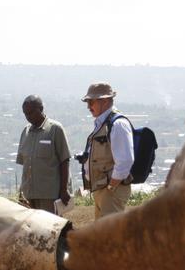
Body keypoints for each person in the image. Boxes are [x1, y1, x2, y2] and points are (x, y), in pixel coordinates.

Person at [81, 82, 134, 219]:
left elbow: (125, 161)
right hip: (103, 190)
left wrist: (111, 188)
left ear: (104, 101)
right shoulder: (104, 123)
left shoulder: (117, 124)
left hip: (111, 191)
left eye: (91, 102)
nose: (88, 107)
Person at [16, 95, 71, 214]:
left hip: (49, 196)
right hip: (29, 195)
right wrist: (21, 192)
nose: (28, 117)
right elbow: (25, 165)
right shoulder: (25, 132)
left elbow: (64, 160)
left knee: (51, 229)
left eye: (31, 113)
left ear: (40, 109)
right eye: (25, 114)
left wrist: (64, 189)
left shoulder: (55, 129)